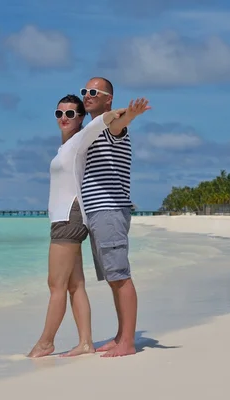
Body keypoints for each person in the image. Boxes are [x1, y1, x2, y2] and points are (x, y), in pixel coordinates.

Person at [27, 94, 131, 358]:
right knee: (75, 285)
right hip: (65, 216)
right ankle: (86, 342)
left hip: (69, 216)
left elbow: (104, 122)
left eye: (71, 114)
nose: (64, 118)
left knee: (55, 284)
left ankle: (45, 342)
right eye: (59, 113)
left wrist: (121, 111)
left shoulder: (80, 139)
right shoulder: (66, 148)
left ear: (81, 117)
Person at [80, 77, 150, 357]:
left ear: (108, 98)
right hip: (99, 212)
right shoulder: (93, 128)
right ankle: (122, 335)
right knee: (113, 277)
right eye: (84, 91)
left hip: (109, 209)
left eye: (93, 92)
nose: (87, 95)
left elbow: (119, 124)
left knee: (120, 276)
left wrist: (130, 115)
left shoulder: (110, 127)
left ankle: (128, 343)